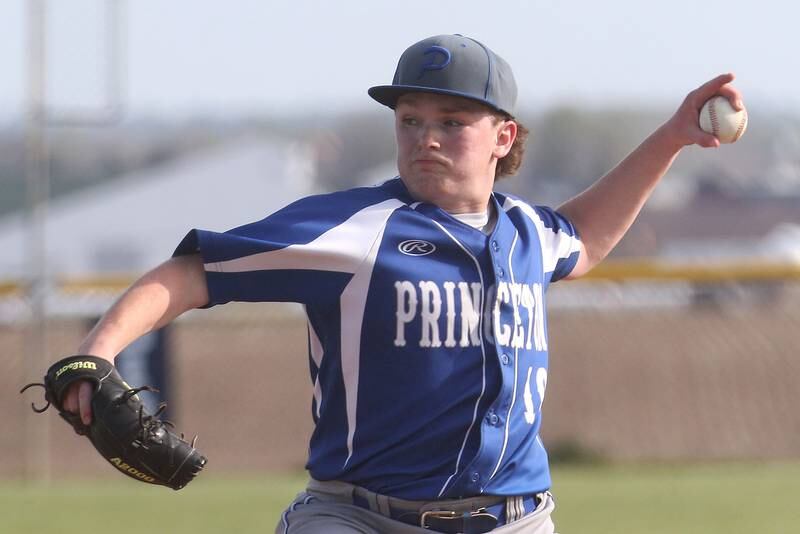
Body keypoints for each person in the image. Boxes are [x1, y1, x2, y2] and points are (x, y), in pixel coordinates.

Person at [61, 34, 743, 533]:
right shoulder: (352, 228)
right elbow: (191, 275)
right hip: (359, 518)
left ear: (504, 137)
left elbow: (586, 238)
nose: (427, 138)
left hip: (514, 520)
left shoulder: (529, 234)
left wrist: (675, 135)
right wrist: (100, 351)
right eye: (411, 120)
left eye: (452, 122)